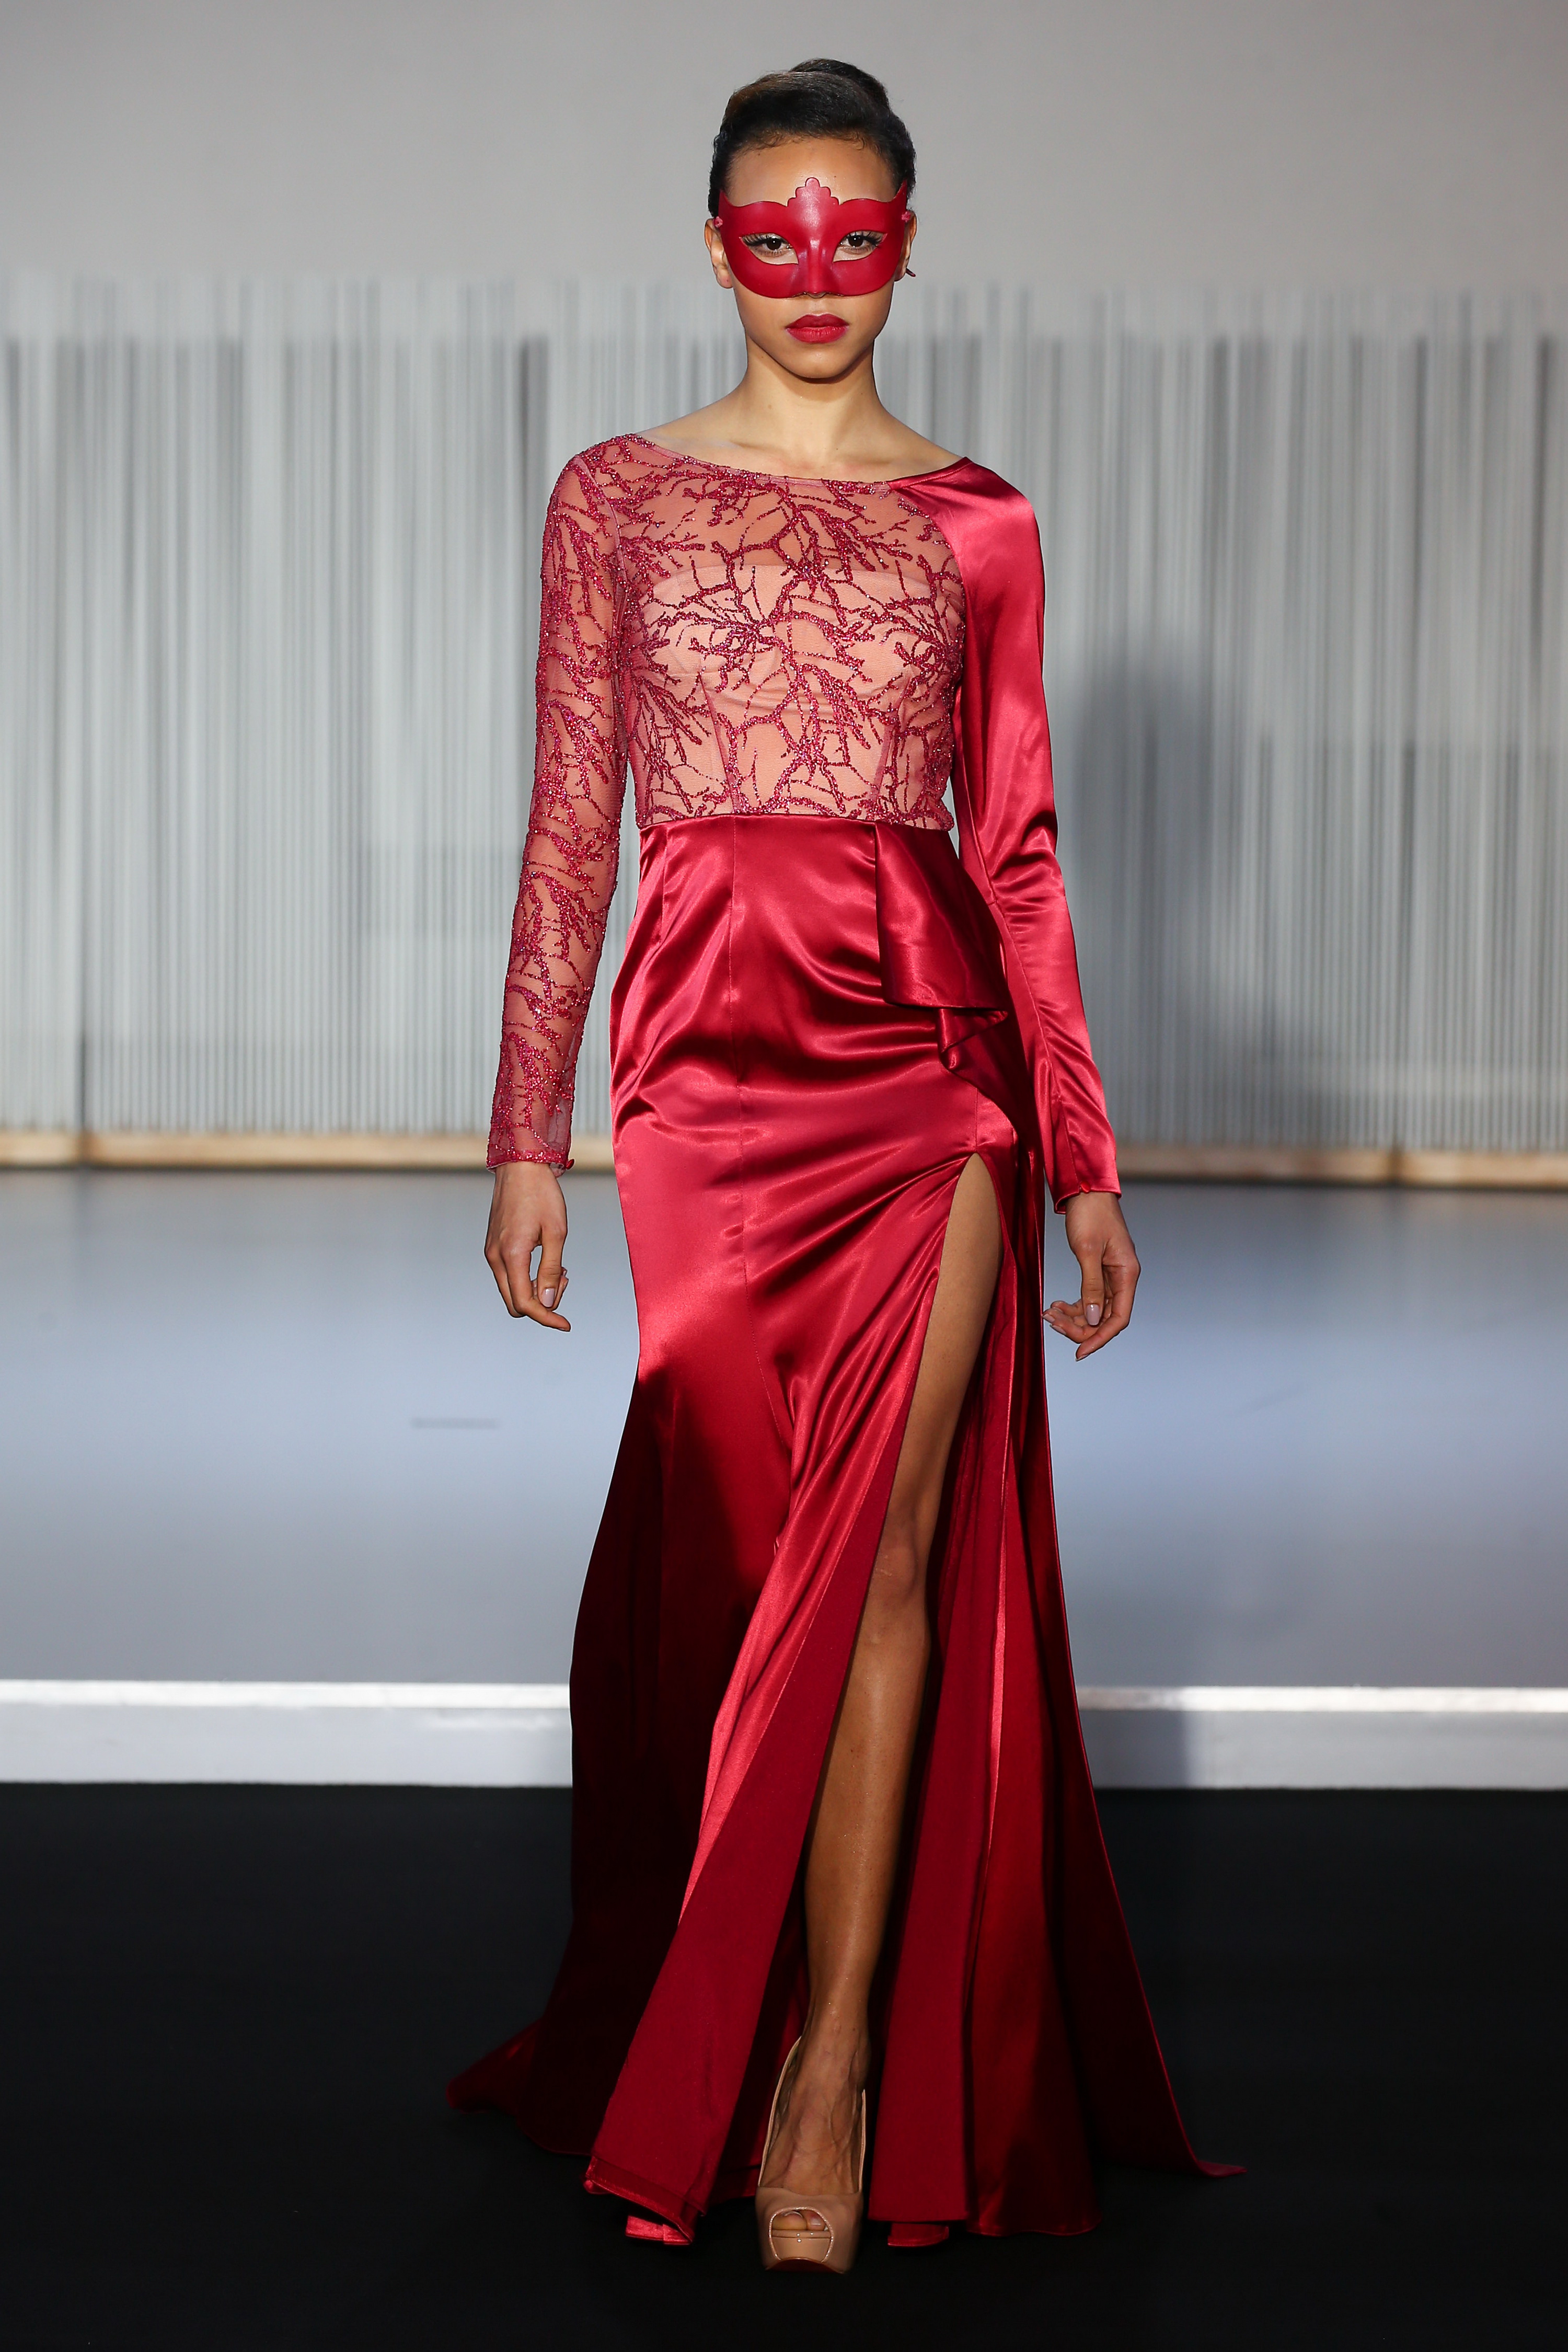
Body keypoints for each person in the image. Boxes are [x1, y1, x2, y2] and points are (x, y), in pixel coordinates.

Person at [451, 58, 1225, 2274]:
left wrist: (1079, 1159)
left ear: (906, 248)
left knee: (885, 1551)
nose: (816, 272)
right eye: (774, 233)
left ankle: (831, 2068)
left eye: (855, 232)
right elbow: (568, 823)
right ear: (715, 250)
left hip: (929, 1068)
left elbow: (1023, 851)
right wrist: (526, 1131)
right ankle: (720, 2005)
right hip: (701, 1067)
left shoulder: (980, 521)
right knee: (728, 1527)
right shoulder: (616, 498)